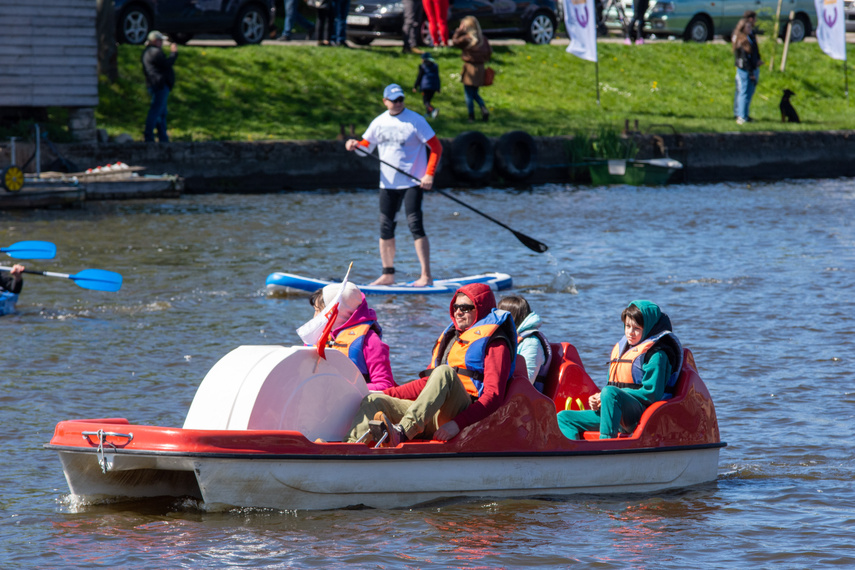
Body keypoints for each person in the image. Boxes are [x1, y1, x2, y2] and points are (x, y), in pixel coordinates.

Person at [344, 282, 518, 446]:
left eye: (465, 308)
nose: (458, 312)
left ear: (480, 309)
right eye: (456, 307)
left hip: (464, 413)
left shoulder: (496, 343)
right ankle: (348, 447)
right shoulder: (452, 339)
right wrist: (384, 392)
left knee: (444, 372)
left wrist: (457, 424)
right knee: (373, 400)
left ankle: (403, 431)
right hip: (430, 414)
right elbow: (426, 384)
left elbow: (493, 396)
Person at [344, 83, 443, 287]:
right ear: (385, 101)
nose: (398, 103)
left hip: (413, 182)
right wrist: (354, 145)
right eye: (393, 100)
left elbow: (436, 147)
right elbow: (365, 149)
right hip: (387, 184)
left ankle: (426, 275)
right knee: (385, 227)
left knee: (415, 225)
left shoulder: (416, 121)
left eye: (401, 99)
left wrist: (429, 175)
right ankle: (388, 274)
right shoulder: (379, 122)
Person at [556, 300, 682, 440]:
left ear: (648, 328)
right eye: (627, 326)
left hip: (640, 415)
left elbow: (651, 394)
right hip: (616, 411)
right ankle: (575, 456)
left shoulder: (657, 355)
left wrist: (609, 394)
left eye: (637, 328)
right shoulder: (623, 349)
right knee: (564, 418)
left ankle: (605, 448)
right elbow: (613, 389)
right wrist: (599, 399)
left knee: (610, 393)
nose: (630, 333)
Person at [312, 283, 397, 390]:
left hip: (356, 401)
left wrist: (345, 388)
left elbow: (385, 385)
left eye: (318, 310)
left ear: (339, 312)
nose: (314, 316)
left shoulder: (370, 341)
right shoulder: (317, 337)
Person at [497, 295, 551, 393]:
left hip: (526, 401)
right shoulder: (509, 339)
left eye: (498, 315)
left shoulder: (531, 342)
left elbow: (527, 382)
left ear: (509, 318)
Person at [451, 16, 492, 123]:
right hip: (480, 68)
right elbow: (489, 53)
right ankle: (483, 108)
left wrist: (458, 31)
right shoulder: (483, 39)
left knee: (468, 94)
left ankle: (471, 116)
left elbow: (454, 42)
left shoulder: (467, 39)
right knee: (475, 92)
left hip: (469, 68)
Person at [141, 31, 177, 143]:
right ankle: (149, 137)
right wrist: (174, 53)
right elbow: (167, 64)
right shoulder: (155, 52)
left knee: (161, 113)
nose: (161, 43)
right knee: (156, 112)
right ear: (155, 41)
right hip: (159, 85)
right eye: (160, 40)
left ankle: (163, 138)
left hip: (155, 84)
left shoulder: (147, 52)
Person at [733, 11, 762, 125]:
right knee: (744, 92)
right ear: (743, 28)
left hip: (751, 68)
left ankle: (745, 114)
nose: (751, 28)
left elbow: (754, 52)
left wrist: (757, 60)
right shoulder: (741, 40)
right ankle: (741, 116)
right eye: (748, 27)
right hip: (745, 70)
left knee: (749, 93)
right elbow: (744, 59)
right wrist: (750, 73)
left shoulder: (750, 37)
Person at [413, 52, 441, 119]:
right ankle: (428, 114)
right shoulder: (435, 66)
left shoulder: (423, 66)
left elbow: (419, 77)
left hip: (425, 86)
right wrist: (438, 88)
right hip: (434, 86)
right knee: (429, 100)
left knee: (425, 101)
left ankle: (433, 110)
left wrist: (415, 86)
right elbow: (437, 77)